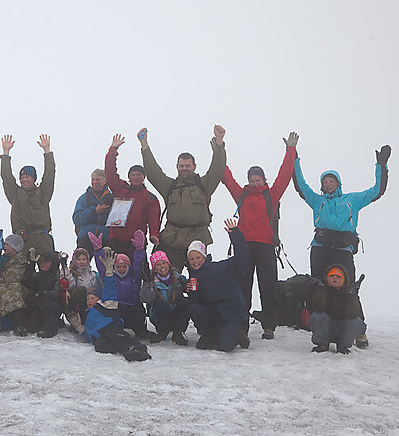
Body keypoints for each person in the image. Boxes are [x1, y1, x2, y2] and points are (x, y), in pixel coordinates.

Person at [292, 143, 390, 348]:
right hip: (320, 248)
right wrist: (294, 157)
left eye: (331, 181)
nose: (328, 184)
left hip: (343, 249)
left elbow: (376, 191)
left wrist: (381, 166)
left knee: (349, 288)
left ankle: (358, 331)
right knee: (319, 286)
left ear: (338, 183)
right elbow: (300, 185)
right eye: (325, 181)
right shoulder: (316, 200)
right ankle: (322, 331)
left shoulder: (352, 199)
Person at [221, 131, 298, 342]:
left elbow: (285, 176)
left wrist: (290, 150)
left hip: (265, 246)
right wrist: (220, 148)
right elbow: (226, 177)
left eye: (258, 180)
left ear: (264, 180)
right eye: (251, 180)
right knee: (243, 288)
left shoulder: (271, 195)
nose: (254, 183)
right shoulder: (242, 194)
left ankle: (269, 326)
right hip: (245, 246)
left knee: (268, 287)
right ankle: (242, 325)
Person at [139, 124, 228, 271]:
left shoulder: (204, 185)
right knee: (169, 278)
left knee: (199, 280)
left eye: (187, 165)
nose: (184, 168)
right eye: (181, 166)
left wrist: (219, 143)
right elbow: (153, 172)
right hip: (172, 239)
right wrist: (144, 146)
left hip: (198, 238)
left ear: (194, 166)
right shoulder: (170, 186)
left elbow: (217, 168)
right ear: (177, 167)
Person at [64, 247, 151, 362]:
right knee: (100, 346)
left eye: (92, 298)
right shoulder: (89, 315)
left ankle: (136, 349)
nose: (89, 301)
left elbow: (110, 289)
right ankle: (127, 347)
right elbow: (90, 335)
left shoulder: (104, 305)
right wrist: (80, 328)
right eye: (87, 299)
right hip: (100, 336)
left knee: (117, 337)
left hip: (111, 328)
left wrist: (109, 272)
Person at [185, 219, 250, 352]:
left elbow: (242, 257)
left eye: (197, 257)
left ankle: (237, 334)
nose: (195, 261)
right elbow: (197, 304)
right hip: (214, 314)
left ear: (204, 256)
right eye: (191, 259)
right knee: (193, 308)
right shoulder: (194, 277)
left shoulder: (223, 267)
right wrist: (192, 292)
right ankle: (210, 335)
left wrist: (235, 234)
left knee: (224, 347)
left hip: (231, 313)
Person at [104, 134, 161, 260]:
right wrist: (113, 150)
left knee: (137, 273)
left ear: (143, 177)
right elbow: (110, 173)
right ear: (129, 177)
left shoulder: (149, 198)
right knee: (114, 272)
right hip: (116, 240)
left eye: (138, 174)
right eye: (133, 175)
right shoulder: (120, 189)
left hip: (136, 243)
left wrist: (154, 235)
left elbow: (153, 219)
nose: (135, 177)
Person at [0, 134, 56, 254]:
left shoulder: (43, 192)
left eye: (27, 177)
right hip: (21, 239)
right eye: (22, 177)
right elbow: (6, 177)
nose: (24, 180)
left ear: (34, 178)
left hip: (43, 237)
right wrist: (6, 152)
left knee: (48, 267)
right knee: (23, 270)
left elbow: (49, 175)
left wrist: (47, 151)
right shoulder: (15, 194)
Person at [90, 230, 151, 338]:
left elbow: (138, 263)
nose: (122, 269)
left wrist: (140, 249)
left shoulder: (134, 276)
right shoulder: (111, 277)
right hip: (118, 308)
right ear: (114, 267)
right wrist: (98, 250)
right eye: (119, 266)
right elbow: (101, 266)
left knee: (139, 310)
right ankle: (117, 331)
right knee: (116, 310)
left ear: (128, 267)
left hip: (133, 308)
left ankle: (141, 331)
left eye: (124, 266)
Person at [309, 265, 366, 355]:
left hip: (342, 329)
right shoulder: (323, 290)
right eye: (331, 276)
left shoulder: (349, 292)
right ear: (327, 278)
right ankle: (322, 344)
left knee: (354, 321)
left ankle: (343, 346)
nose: (334, 278)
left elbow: (352, 314)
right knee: (318, 316)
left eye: (338, 276)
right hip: (326, 328)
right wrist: (320, 290)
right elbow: (318, 308)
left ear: (343, 280)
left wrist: (352, 296)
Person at [140, 250, 189, 345]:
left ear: (168, 264)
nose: (162, 266)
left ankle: (178, 333)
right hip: (160, 317)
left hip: (176, 315)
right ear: (154, 269)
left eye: (164, 263)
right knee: (162, 304)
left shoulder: (178, 278)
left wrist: (189, 285)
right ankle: (162, 332)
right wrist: (146, 283)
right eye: (158, 264)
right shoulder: (150, 280)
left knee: (185, 302)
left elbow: (188, 286)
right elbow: (145, 298)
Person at [0, 234, 30, 335]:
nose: (5, 246)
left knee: (14, 293)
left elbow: (16, 275)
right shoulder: (2, 258)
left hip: (14, 287)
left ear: (15, 247)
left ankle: (19, 325)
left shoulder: (21, 260)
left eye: (7, 244)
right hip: (0, 286)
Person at [21, 249, 66, 338]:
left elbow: (57, 293)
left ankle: (50, 329)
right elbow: (27, 282)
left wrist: (40, 295)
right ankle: (55, 322)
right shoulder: (39, 275)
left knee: (49, 302)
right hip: (40, 306)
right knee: (31, 327)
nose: (43, 263)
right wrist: (31, 264)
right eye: (41, 261)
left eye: (46, 261)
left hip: (54, 306)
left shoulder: (58, 275)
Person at [72, 169, 113, 252]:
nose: (94, 182)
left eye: (98, 179)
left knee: (107, 264)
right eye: (93, 179)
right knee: (80, 263)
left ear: (105, 181)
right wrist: (95, 211)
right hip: (85, 237)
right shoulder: (84, 198)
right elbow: (77, 219)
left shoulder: (112, 198)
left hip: (105, 237)